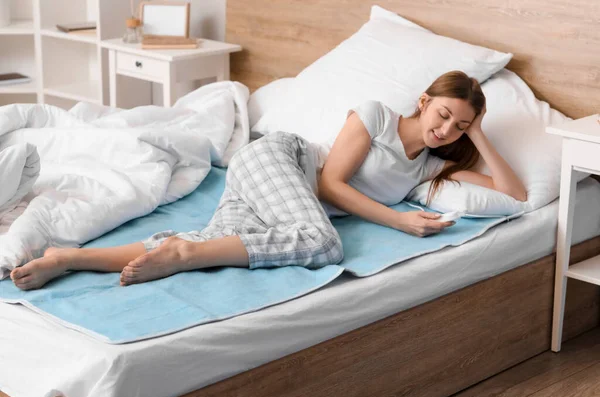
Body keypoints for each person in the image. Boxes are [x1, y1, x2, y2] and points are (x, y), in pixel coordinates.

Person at [9, 70, 527, 290]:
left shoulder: (429, 165)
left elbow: (516, 194)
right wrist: (399, 221)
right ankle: (183, 257)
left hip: (284, 202)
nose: (443, 130)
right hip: (279, 162)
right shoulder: (375, 117)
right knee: (324, 243)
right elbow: (329, 186)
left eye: (456, 124)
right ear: (423, 100)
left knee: (205, 239)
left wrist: (477, 131)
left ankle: (67, 258)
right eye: (442, 114)